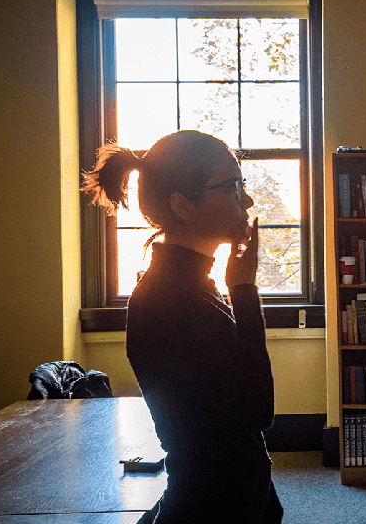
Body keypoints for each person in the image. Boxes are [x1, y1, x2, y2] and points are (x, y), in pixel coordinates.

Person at [82, 130, 284, 524]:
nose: (249, 200)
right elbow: (258, 410)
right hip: (211, 508)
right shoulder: (167, 300)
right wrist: (243, 289)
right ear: (182, 206)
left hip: (231, 500)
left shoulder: (192, 286)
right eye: (232, 188)